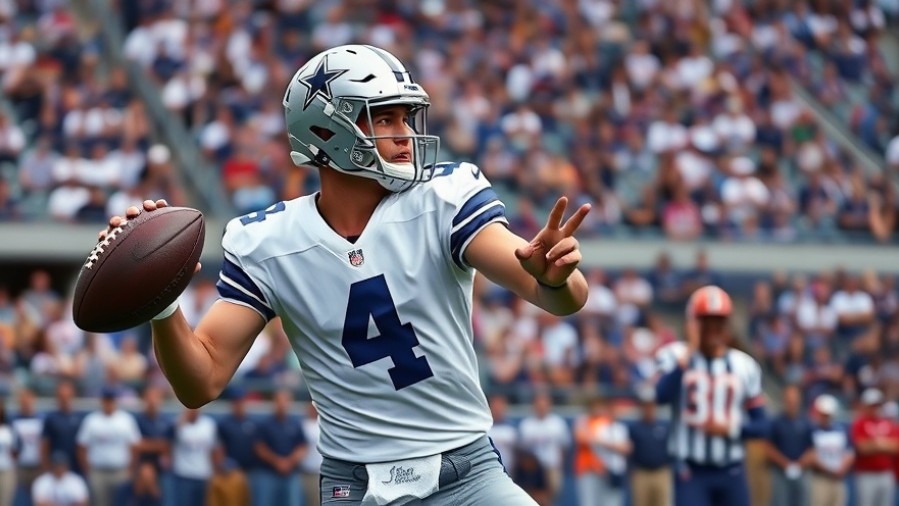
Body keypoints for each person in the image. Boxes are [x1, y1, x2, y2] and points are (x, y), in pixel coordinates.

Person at [102, 44, 591, 505]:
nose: (404, 132)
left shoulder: (442, 200)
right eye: (383, 118)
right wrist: (163, 304)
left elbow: (554, 294)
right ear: (324, 131)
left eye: (405, 116)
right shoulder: (269, 241)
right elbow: (201, 381)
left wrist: (554, 277)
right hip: (355, 488)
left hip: (467, 476)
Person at [655, 285, 769, 506]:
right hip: (690, 470)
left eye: (719, 321)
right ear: (693, 323)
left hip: (731, 470)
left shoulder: (744, 365)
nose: (713, 328)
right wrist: (689, 353)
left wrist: (731, 429)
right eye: (706, 321)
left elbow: (762, 425)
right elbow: (661, 396)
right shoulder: (674, 355)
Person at [75, 386, 141, 506]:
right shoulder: (92, 420)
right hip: (98, 471)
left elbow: (135, 446)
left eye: (111, 400)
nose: (108, 403)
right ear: (102, 401)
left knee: (121, 503)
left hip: (120, 471)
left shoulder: (126, 420)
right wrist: (87, 470)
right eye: (106, 399)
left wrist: (131, 470)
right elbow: (81, 446)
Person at [765, 385, 814, 506]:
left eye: (794, 400)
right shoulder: (776, 422)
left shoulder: (806, 422)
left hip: (802, 470)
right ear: (784, 401)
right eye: (789, 400)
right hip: (780, 471)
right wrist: (786, 465)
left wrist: (799, 465)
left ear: (799, 400)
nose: (792, 404)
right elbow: (768, 447)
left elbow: (812, 448)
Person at [852, 388, 898, 506]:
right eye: (872, 405)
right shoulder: (860, 423)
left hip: (886, 473)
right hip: (866, 474)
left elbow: (896, 447)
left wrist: (876, 444)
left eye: (877, 405)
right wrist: (884, 445)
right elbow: (861, 448)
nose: (875, 408)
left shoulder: (888, 423)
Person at [808, 394, 854, 506]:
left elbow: (849, 452)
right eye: (823, 414)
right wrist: (829, 470)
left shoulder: (841, 430)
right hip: (820, 478)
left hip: (838, 478)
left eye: (828, 415)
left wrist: (841, 469)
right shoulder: (812, 431)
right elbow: (811, 455)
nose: (826, 417)